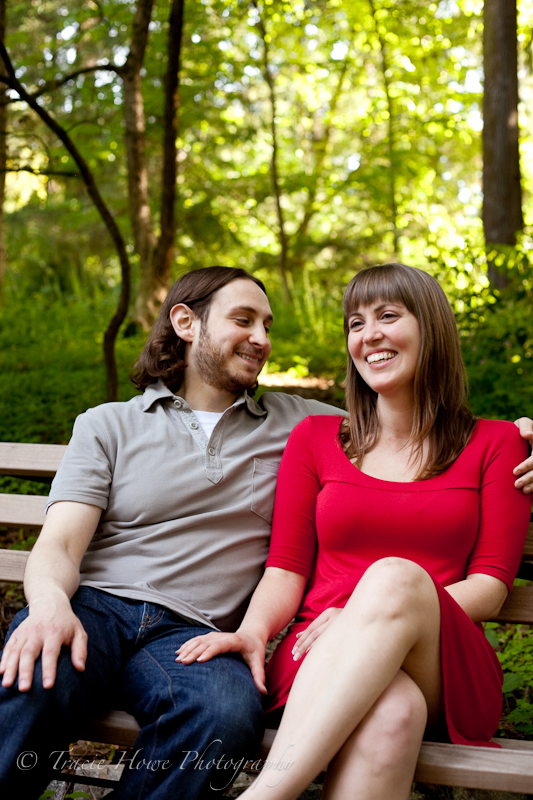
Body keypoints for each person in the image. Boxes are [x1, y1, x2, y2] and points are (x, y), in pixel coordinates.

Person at [176, 263, 533, 800]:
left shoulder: (498, 444)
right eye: (355, 323)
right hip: (317, 653)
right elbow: (286, 568)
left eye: (388, 316)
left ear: (430, 328)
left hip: (444, 663)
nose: (369, 336)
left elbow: (491, 585)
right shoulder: (316, 439)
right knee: (393, 712)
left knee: (392, 578)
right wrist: (252, 634)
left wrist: (368, 609)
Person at [0, 266, 348, 799]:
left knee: (225, 714)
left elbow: (409, 426)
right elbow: (61, 543)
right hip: (97, 609)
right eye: (243, 320)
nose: (262, 338)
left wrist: (519, 434)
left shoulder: (299, 424)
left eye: (267, 326)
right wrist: (49, 606)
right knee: (32, 676)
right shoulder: (108, 424)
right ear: (186, 322)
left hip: (198, 632)